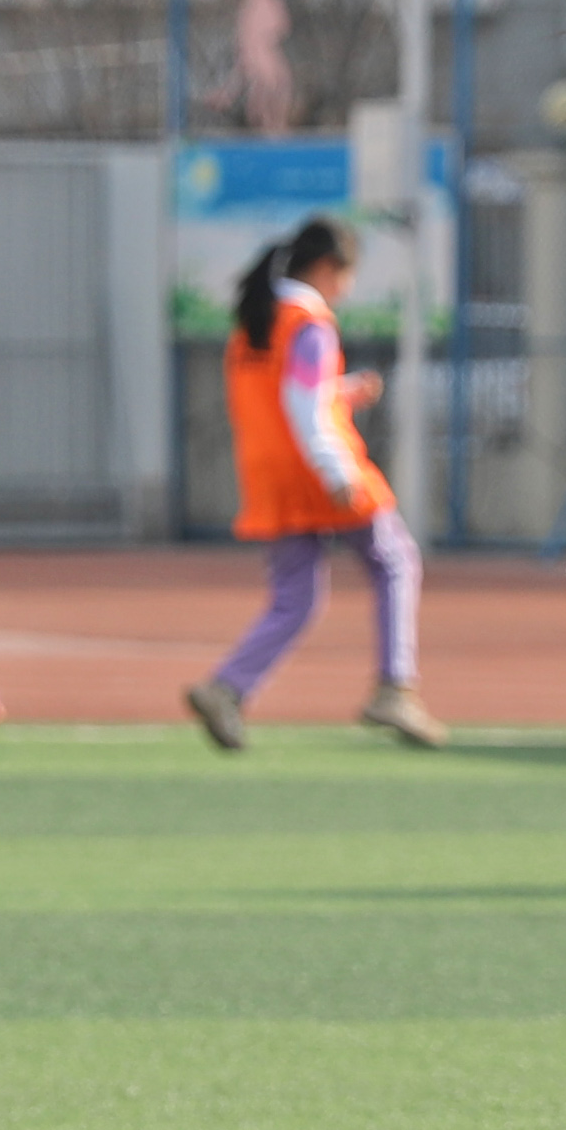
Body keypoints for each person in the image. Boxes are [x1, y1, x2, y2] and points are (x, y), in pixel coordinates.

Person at [184, 216, 445, 752]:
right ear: (328, 269)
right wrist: (335, 470)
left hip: (270, 473)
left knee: (295, 599)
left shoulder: (256, 318)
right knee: (395, 560)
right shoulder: (309, 321)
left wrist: (342, 391)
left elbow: (288, 394)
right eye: (347, 275)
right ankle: (396, 686)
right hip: (320, 470)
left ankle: (228, 687)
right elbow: (302, 402)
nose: (346, 289)